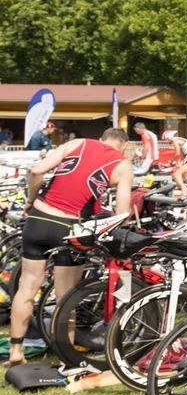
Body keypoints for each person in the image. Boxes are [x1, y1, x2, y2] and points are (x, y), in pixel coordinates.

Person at [7, 128, 133, 365]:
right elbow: (123, 213)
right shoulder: (122, 164)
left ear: (101, 138)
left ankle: (16, 351)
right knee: (67, 296)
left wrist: (32, 200)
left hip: (38, 218)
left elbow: (36, 170)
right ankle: (67, 358)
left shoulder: (78, 143)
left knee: (27, 286)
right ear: (124, 145)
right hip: (69, 227)